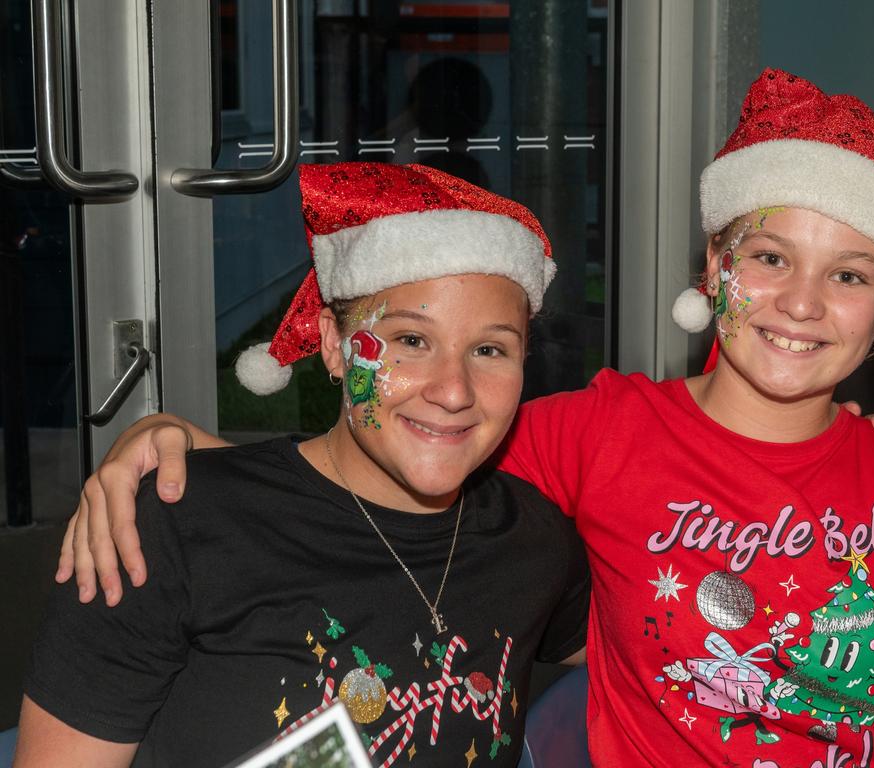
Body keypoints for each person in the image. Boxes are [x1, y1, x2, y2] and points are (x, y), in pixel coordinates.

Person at [52, 71, 874, 766]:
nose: (800, 303)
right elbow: (388, 456)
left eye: (848, 276)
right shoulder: (595, 433)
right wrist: (176, 452)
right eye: (768, 258)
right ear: (713, 268)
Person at [15, 162, 590, 768]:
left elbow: (660, 661)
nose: (453, 391)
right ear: (335, 347)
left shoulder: (533, 540)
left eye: (490, 349)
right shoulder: (171, 529)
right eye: (411, 340)